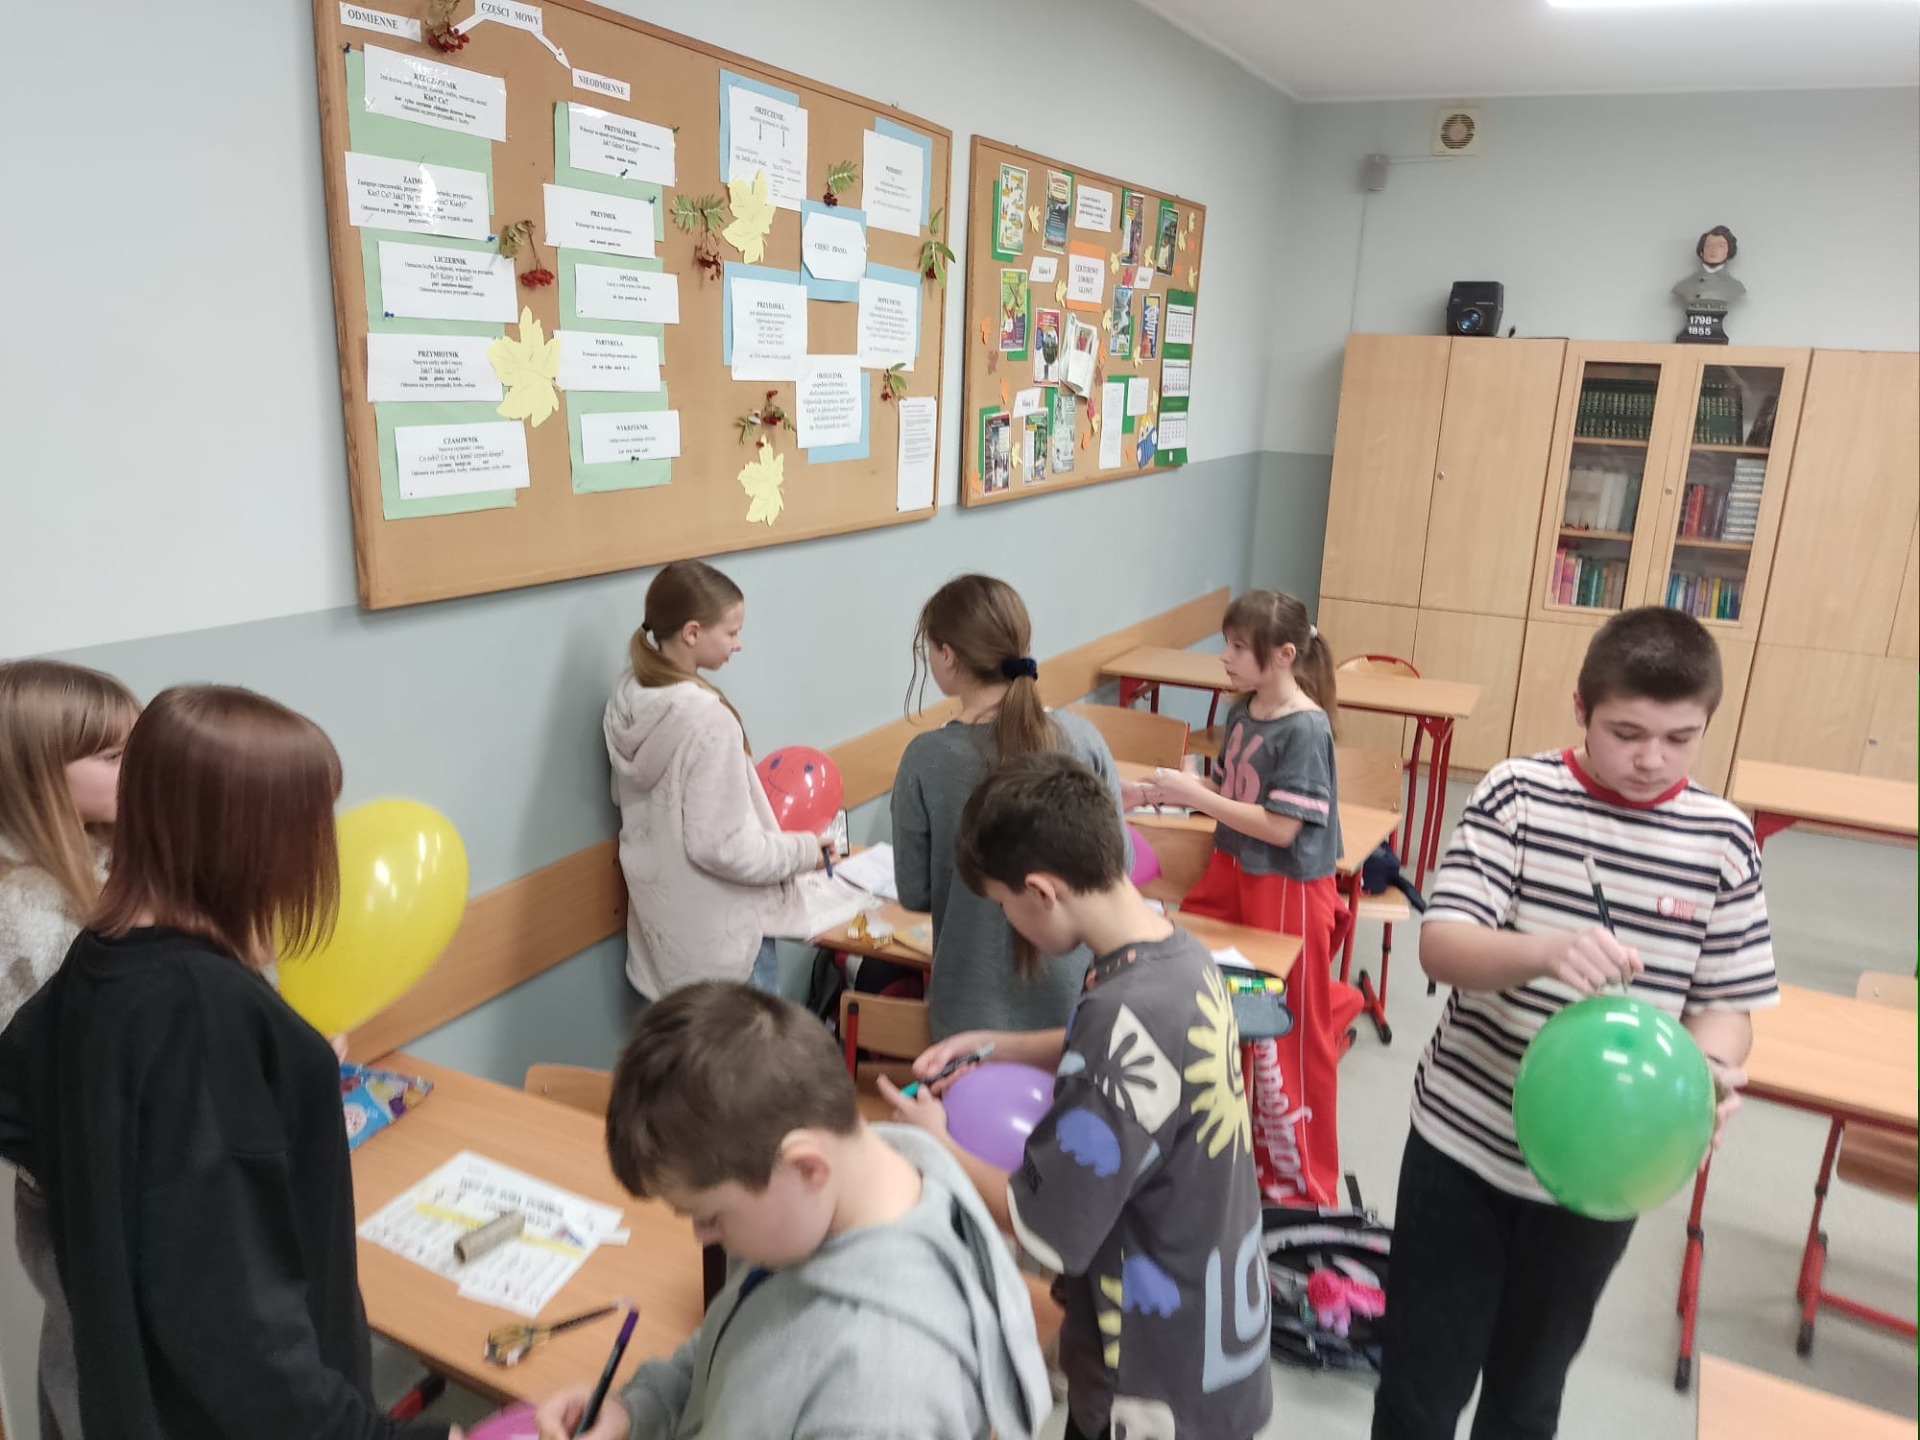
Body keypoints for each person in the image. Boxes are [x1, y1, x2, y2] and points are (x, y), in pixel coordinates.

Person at [0, 685, 458, 1440]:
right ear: (249, 836)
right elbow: (242, 1339)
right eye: (311, 822)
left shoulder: (94, 964)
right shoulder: (196, 1014)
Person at [1372, 607, 1776, 1440]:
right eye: (1627, 733)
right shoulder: (1518, 794)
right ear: (1581, 708)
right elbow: (1442, 944)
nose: (1651, 759)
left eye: (1680, 738)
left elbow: (1725, 1004)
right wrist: (1545, 952)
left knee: (1528, 1397)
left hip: (1604, 1176)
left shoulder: (1724, 840)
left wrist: (1706, 1071)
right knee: (1419, 1389)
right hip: (1465, 1146)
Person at [886, 752, 1273, 1440]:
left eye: (1004, 906)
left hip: (1150, 1381)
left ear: (1041, 892)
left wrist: (933, 1142)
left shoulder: (1124, 1018)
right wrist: (999, 1045)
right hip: (1212, 1338)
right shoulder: (1176, 955)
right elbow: (1121, 1050)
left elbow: (1044, 1223)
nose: (1010, 922)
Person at [533, 982, 1051, 1440]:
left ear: (806, 1167)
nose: (701, 1236)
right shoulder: (813, 1213)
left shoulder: (880, 1395)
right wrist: (638, 1411)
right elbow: (737, 1340)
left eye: (710, 1215)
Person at [1137, 588, 1356, 1206]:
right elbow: (1231, 792)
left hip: (1285, 888)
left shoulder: (1306, 727)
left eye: (1239, 647)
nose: (1225, 657)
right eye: (1226, 644)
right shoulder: (1244, 711)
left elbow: (1282, 829)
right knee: (1207, 1009)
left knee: (1286, 1034)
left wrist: (1197, 795)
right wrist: (1160, 792)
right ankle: (1217, 1157)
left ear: (1284, 655)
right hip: (1231, 871)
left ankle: (1296, 1181)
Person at [893, 574, 1129, 1038]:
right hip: (1080, 1011)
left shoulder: (926, 759)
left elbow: (915, 893)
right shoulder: (1083, 739)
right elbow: (1118, 865)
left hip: (968, 1019)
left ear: (947, 655)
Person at [0, 660, 139, 1440]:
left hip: (134, 1174)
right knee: (96, 1368)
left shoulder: (111, 860)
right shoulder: (26, 909)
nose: (139, 768)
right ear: (34, 775)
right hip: (82, 1193)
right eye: (114, 757)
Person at [606, 560, 830, 1003]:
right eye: (731, 632)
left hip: (664, 943)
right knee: (750, 1049)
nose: (739, 644)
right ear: (692, 633)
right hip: (726, 955)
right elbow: (722, 846)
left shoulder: (629, 700)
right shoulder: (709, 722)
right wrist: (807, 851)